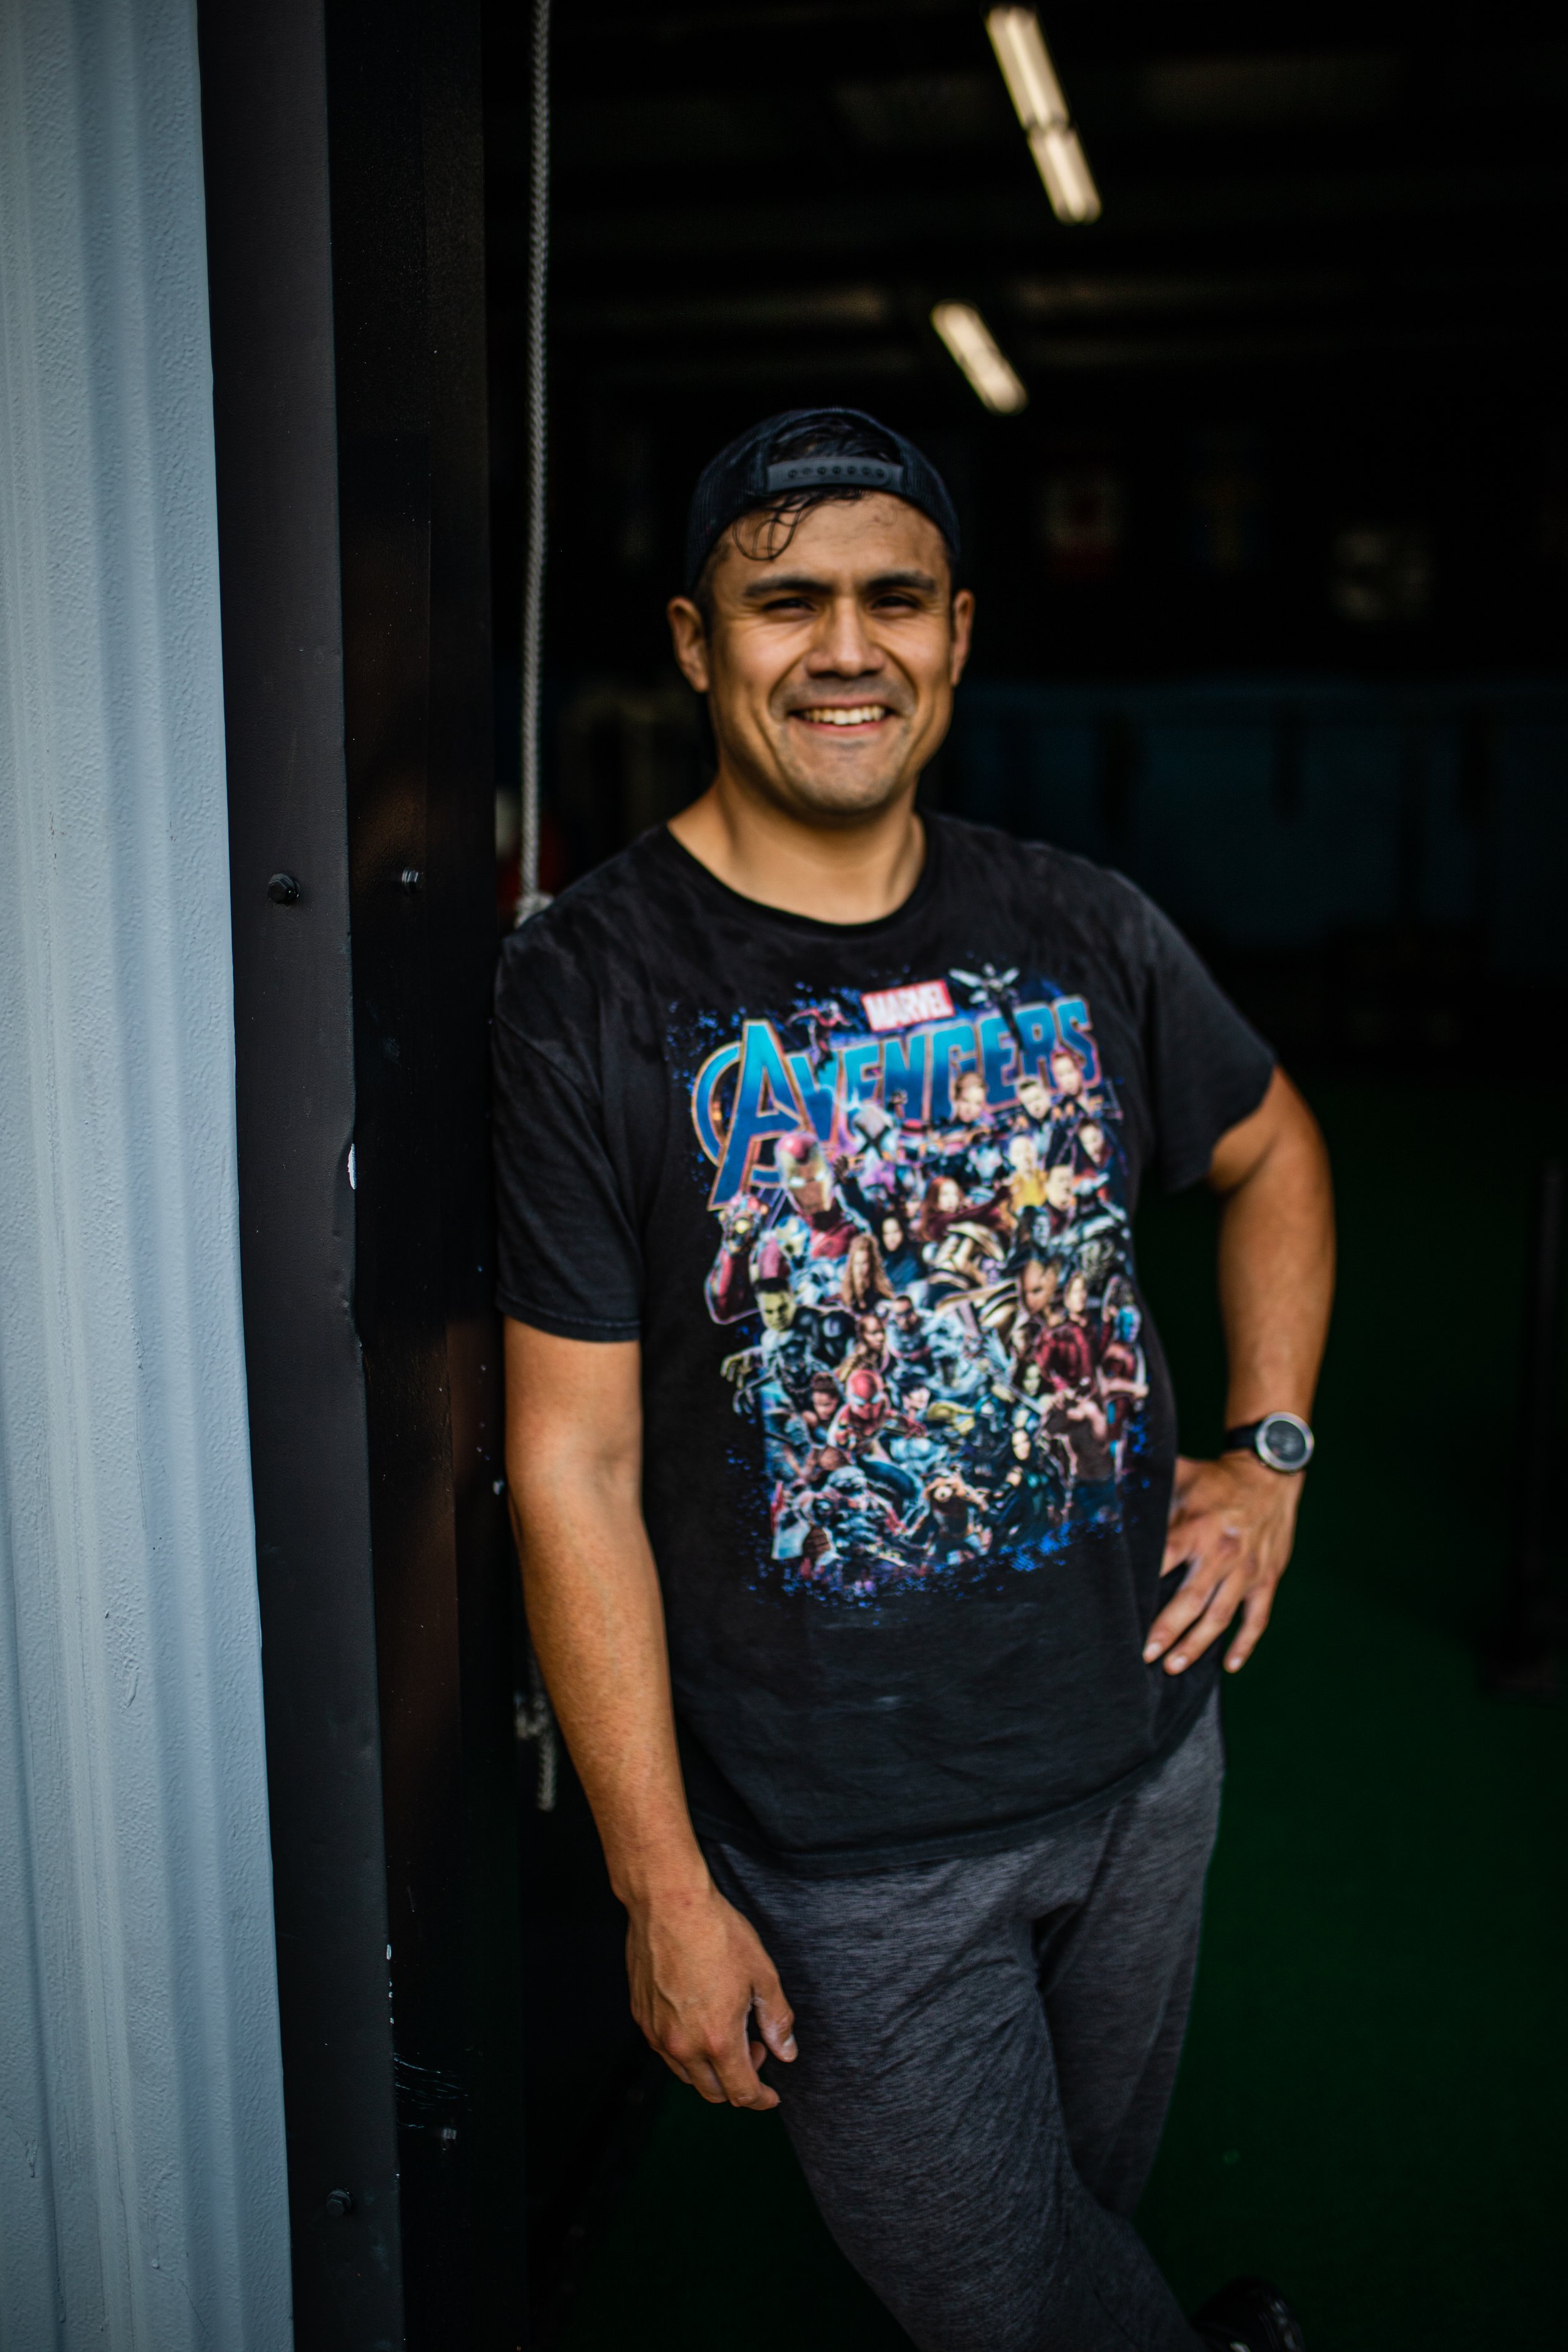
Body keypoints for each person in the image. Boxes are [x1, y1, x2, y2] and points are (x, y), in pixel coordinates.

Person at [495, 408, 1333, 2352]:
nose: (844, 649)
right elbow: (569, 1461)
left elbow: (1272, 1150)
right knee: (997, 2302)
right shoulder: (589, 992)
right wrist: (654, 1883)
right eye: (784, 604)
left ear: (957, 633)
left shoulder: (1080, 923)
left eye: (891, 601)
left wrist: (1268, 1449)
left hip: (1139, 1760)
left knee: (1063, 2238)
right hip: (842, 1836)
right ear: (697, 644)